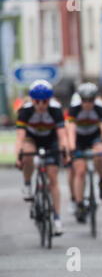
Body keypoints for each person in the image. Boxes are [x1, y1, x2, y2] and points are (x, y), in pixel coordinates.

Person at [15, 80, 70, 236]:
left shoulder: (56, 110)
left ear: (49, 100)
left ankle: (57, 218)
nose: (40, 105)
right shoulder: (25, 111)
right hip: (31, 138)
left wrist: (64, 152)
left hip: (50, 140)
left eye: (44, 101)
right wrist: (19, 156)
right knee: (27, 153)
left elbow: (62, 135)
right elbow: (20, 137)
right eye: (37, 101)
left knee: (53, 178)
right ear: (32, 100)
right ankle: (27, 184)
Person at [66, 82, 102, 223]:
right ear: (80, 99)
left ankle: (101, 181)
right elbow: (70, 131)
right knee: (80, 170)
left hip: (94, 138)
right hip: (78, 139)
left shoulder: (99, 109)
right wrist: (72, 149)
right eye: (84, 100)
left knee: (100, 152)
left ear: (95, 99)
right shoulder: (74, 110)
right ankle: (79, 204)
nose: (87, 103)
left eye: (91, 100)